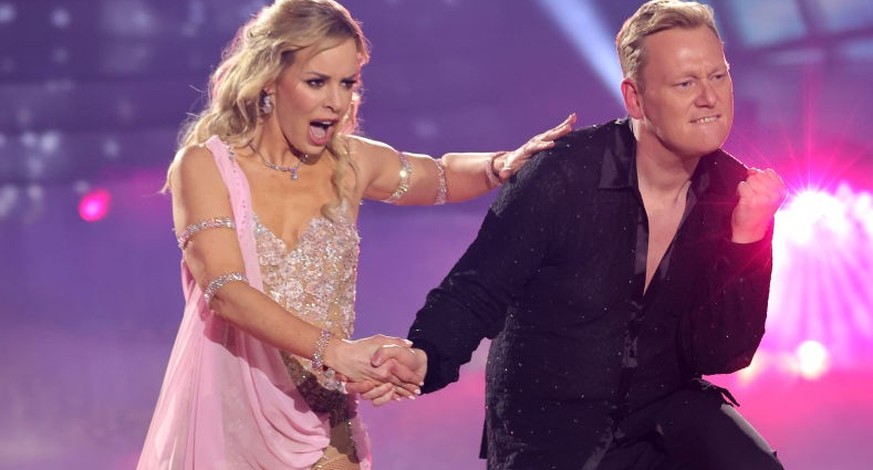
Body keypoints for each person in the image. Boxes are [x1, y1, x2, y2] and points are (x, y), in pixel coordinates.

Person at [135, 0, 575, 468]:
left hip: (321, 419)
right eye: (317, 82)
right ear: (269, 80)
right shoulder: (205, 165)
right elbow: (225, 291)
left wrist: (498, 166)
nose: (337, 102)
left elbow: (441, 175)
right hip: (227, 416)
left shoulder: (351, 163)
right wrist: (336, 352)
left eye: (348, 83)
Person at [354, 0, 788, 468]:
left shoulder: (738, 194)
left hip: (664, 410)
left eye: (718, 76)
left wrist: (749, 237)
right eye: (685, 83)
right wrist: (426, 355)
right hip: (551, 427)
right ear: (636, 98)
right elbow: (478, 286)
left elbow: (723, 352)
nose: (710, 98)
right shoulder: (565, 174)